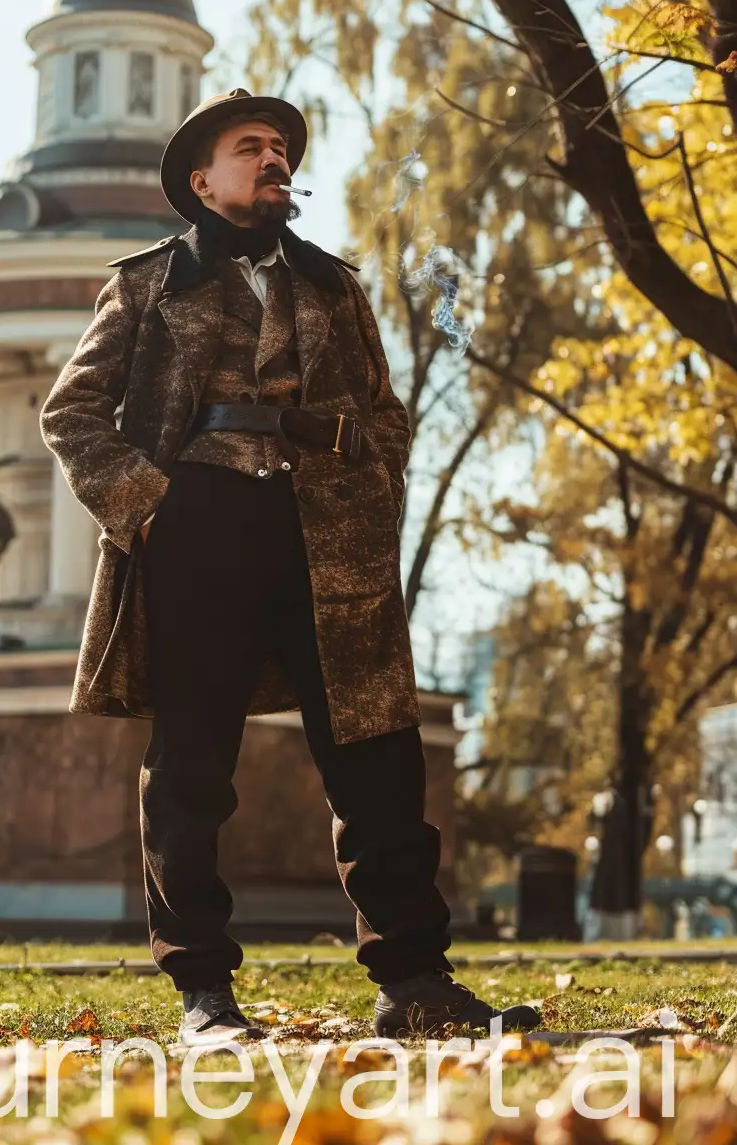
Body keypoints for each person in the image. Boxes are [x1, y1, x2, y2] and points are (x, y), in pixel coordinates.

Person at [39, 90, 538, 1040]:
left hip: (331, 534)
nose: (273, 159)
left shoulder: (335, 285)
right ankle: (204, 994)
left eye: (280, 148)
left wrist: (374, 499)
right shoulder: (145, 284)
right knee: (191, 770)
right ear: (202, 179)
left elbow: (386, 414)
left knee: (380, 762)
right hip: (199, 530)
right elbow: (71, 416)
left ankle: (415, 984)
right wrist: (151, 511)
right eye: (249, 147)